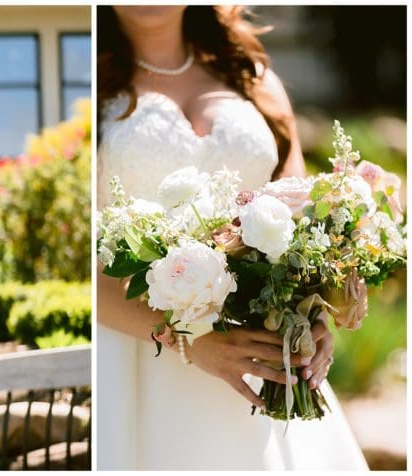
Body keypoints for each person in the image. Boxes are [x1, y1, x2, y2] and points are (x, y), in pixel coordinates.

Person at [95, 6, 367, 470]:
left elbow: (302, 214)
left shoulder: (252, 78)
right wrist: (186, 339)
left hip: (263, 354)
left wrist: (318, 310)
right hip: (136, 358)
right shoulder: (87, 83)